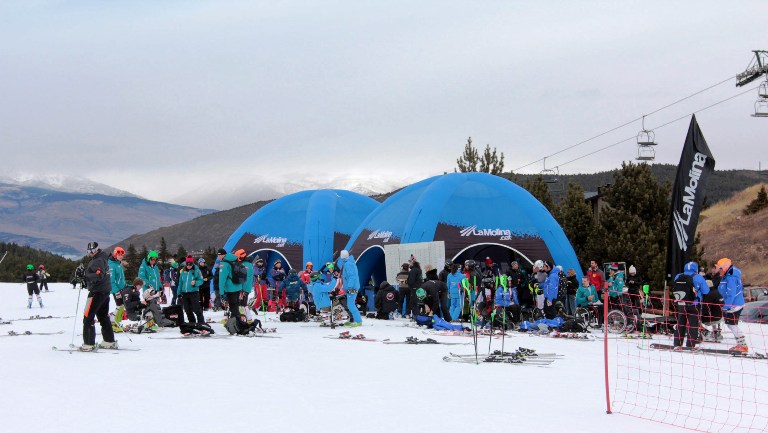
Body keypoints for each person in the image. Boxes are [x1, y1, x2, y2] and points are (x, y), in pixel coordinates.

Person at [82, 242, 117, 351]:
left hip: (97, 292)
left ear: (97, 249)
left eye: (92, 251)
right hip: (104, 291)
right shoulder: (102, 257)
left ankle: (89, 343)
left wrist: (85, 276)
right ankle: (109, 340)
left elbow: (99, 275)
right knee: (102, 316)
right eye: (89, 251)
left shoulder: (98, 260)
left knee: (88, 317)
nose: (90, 253)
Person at [672, 262, 709, 349]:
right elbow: (706, 291)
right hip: (694, 304)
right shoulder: (698, 277)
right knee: (693, 325)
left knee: (680, 323)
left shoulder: (678, 276)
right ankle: (690, 344)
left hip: (682, 304)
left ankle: (677, 343)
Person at [716, 258, 748, 353]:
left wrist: (727, 305)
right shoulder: (729, 275)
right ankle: (741, 344)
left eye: (720, 268)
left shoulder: (731, 277)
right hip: (733, 304)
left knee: (732, 324)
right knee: (731, 324)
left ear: (725, 267)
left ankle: (743, 345)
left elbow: (731, 293)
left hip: (734, 305)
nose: (719, 270)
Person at [219, 250, 246, 326]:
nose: (218, 257)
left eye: (219, 255)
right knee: (235, 305)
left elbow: (222, 279)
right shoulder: (235, 259)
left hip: (230, 288)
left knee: (233, 307)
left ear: (222, 255)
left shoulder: (224, 264)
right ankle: (234, 321)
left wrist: (221, 292)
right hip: (238, 286)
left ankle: (237, 324)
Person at [337, 250, 362, 327]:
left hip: (351, 288)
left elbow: (352, 276)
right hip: (351, 287)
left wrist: (350, 287)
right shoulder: (349, 263)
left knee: (351, 305)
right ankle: (355, 320)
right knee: (350, 304)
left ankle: (358, 321)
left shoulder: (348, 264)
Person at [178, 256, 205, 325]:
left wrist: (195, 282)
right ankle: (192, 322)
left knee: (196, 308)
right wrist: (179, 293)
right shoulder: (183, 271)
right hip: (185, 293)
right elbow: (180, 282)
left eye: (190, 264)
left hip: (193, 292)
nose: (189, 266)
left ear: (192, 263)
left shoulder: (196, 270)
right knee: (187, 309)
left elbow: (201, 280)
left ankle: (201, 322)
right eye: (187, 264)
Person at [109, 247, 126, 319]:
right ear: (115, 255)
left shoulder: (119, 264)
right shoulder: (112, 265)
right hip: (116, 290)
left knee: (122, 306)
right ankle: (113, 322)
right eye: (119, 255)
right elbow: (111, 280)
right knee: (120, 305)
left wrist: (127, 286)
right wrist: (116, 291)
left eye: (122, 255)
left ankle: (116, 322)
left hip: (121, 289)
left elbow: (121, 279)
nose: (121, 256)